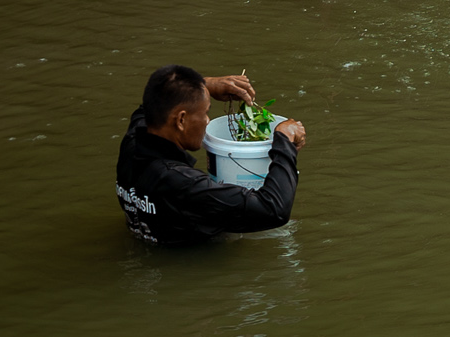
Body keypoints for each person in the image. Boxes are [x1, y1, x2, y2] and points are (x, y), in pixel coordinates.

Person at [115, 65, 309, 247]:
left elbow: (148, 106)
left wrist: (206, 85)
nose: (207, 121)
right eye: (205, 113)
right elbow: (274, 210)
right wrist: (284, 142)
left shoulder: (134, 141)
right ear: (181, 120)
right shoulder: (183, 184)